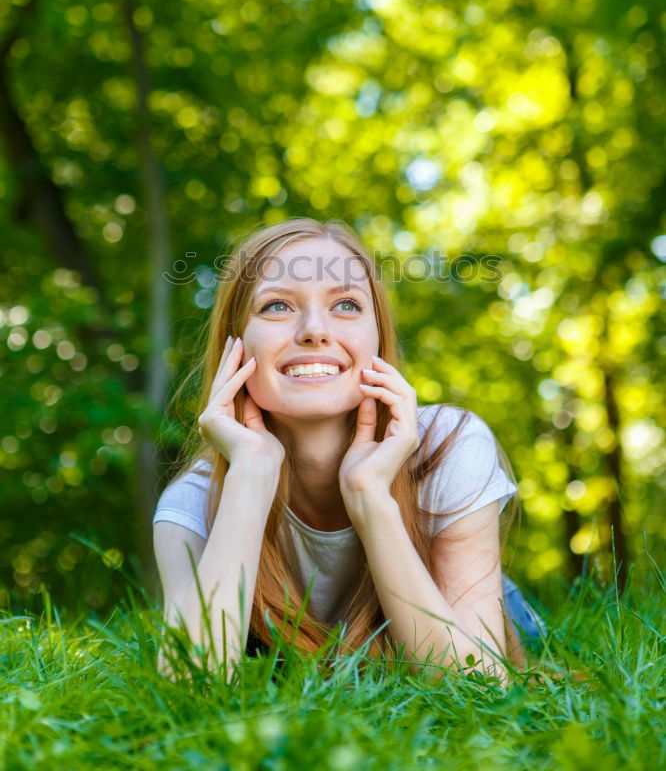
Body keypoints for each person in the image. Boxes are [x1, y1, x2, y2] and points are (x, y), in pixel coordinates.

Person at [152, 217, 546, 684]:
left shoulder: (446, 444)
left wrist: (369, 496)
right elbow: (189, 686)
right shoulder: (195, 502)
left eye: (345, 304)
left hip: (469, 606)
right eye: (277, 305)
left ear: (377, 338)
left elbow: (479, 684)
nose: (315, 330)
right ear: (233, 349)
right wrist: (251, 476)